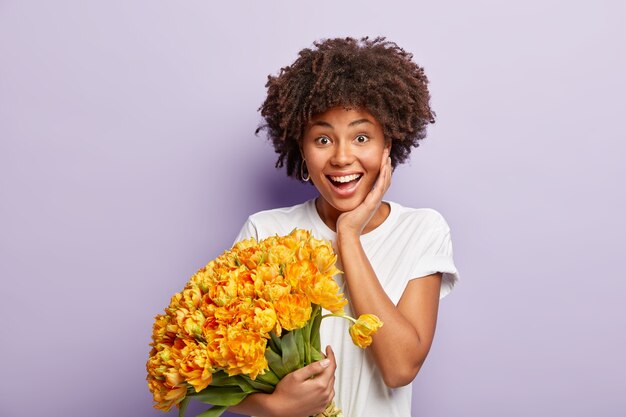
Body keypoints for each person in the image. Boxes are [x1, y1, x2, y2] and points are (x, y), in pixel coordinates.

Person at [229, 37, 459, 417]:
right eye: (322, 139)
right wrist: (277, 407)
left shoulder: (423, 230)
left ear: (390, 144)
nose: (341, 156)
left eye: (362, 137)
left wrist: (348, 235)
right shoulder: (264, 232)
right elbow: (223, 367)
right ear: (301, 149)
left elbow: (400, 368)